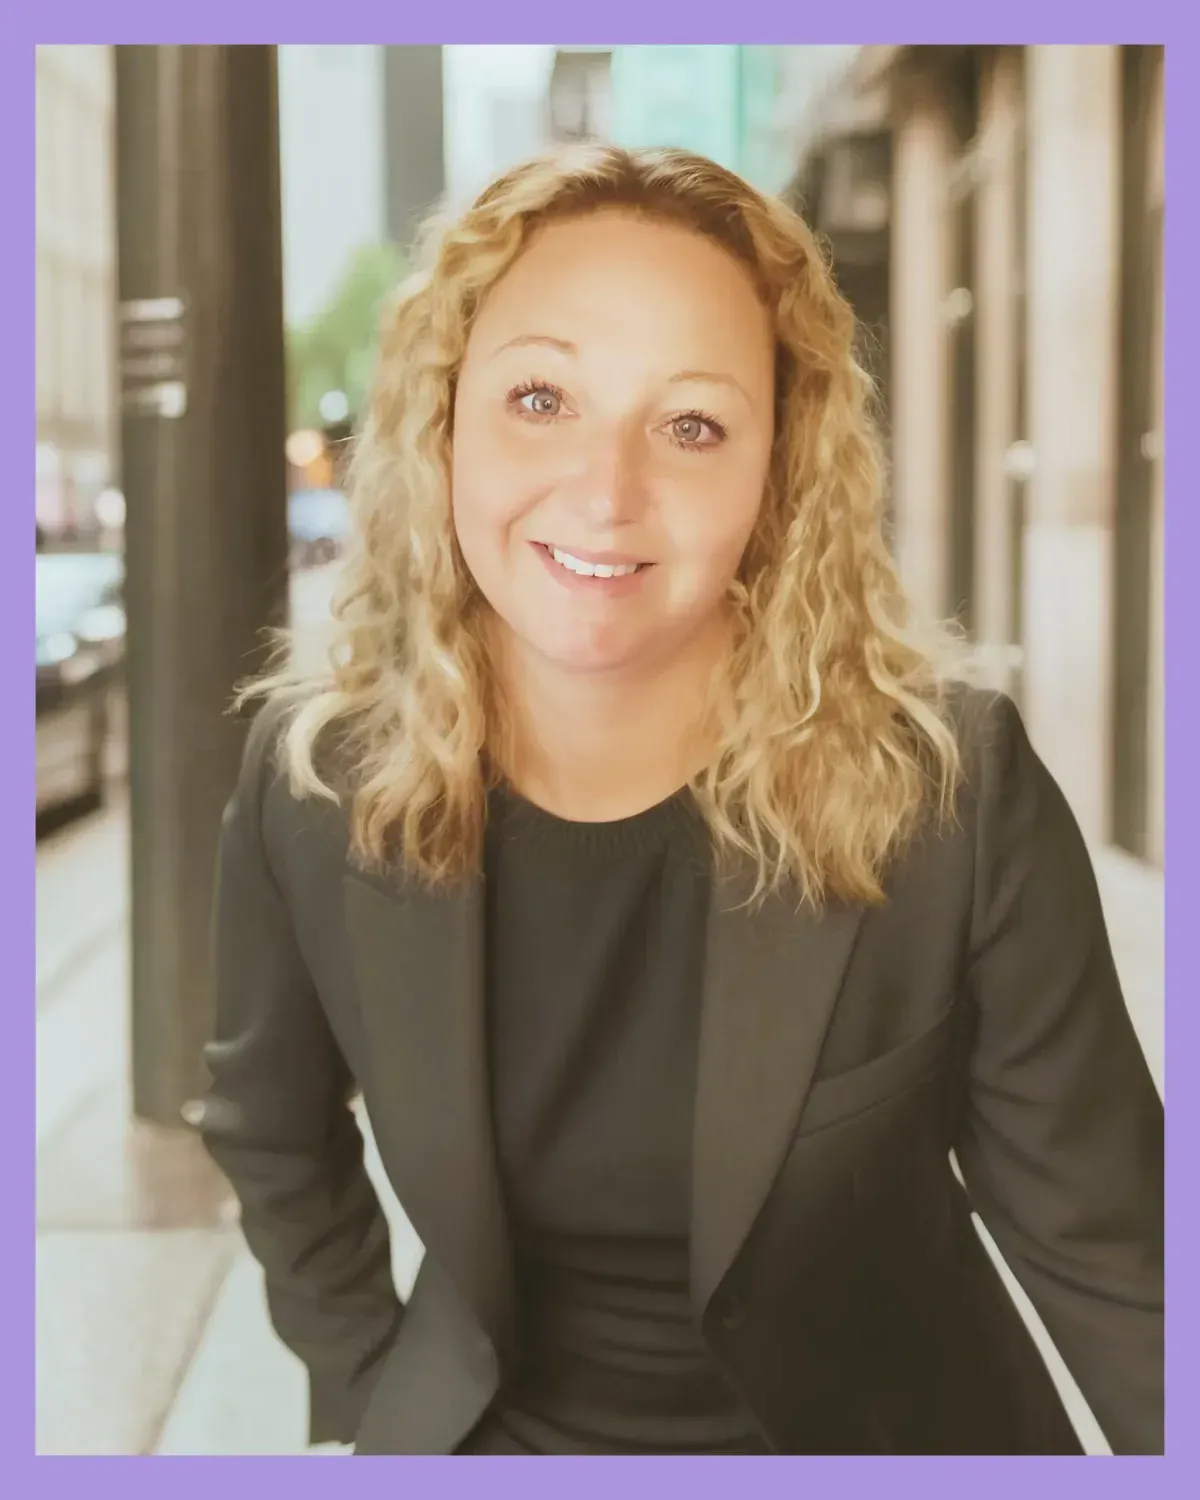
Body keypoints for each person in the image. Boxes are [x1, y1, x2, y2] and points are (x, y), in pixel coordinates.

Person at [197, 144, 1163, 1456]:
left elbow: (1122, 1257)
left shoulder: (948, 789)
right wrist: (370, 1386)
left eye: (691, 424)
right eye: (542, 398)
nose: (607, 493)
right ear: (443, 423)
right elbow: (270, 1132)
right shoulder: (316, 783)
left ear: (780, 470)